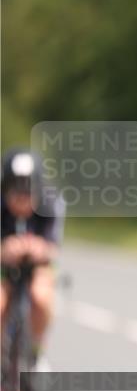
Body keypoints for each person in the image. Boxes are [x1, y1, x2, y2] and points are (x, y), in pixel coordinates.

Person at [0, 148, 64, 365]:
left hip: (38, 265)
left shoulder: (50, 203)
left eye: (27, 193)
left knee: (41, 297)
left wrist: (38, 248)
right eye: (15, 193)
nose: (21, 200)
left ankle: (37, 352)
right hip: (3, 266)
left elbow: (53, 247)